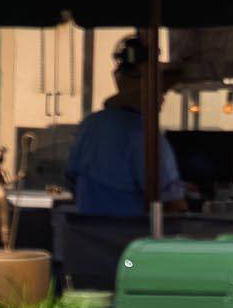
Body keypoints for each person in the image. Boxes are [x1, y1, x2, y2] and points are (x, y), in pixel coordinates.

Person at [64, 38, 183, 218]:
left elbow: (72, 180)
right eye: (161, 90)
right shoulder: (145, 135)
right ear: (149, 92)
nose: (163, 98)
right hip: (132, 238)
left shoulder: (90, 125)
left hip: (88, 238)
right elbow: (172, 203)